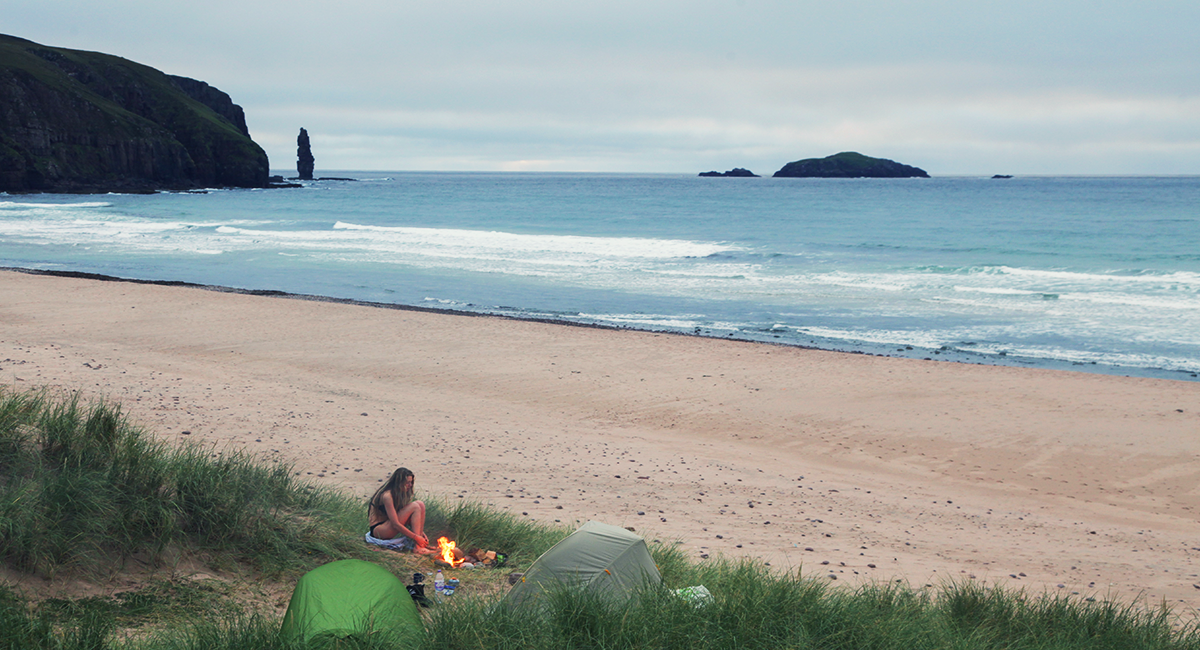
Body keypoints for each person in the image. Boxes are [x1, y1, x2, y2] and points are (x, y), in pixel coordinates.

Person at [367, 467, 436, 554]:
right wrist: (416, 537)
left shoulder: (397, 493)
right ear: (399, 483)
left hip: (387, 525)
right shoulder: (387, 496)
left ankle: (420, 545)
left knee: (420, 504)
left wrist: (421, 534)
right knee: (415, 506)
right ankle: (418, 547)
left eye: (411, 482)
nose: (410, 485)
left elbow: (409, 518)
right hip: (379, 530)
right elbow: (395, 524)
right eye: (407, 483)